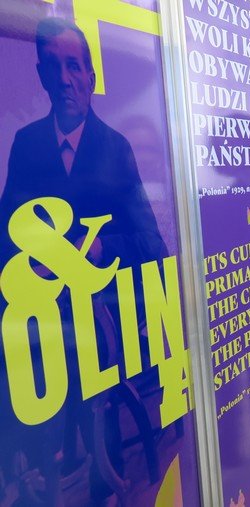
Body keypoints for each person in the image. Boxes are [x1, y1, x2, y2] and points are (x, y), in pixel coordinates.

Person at [0, 17, 167, 504]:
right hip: (42, 310)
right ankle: (41, 471)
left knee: (89, 388)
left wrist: (99, 248)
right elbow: (6, 232)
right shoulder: (26, 145)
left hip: (101, 314)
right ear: (41, 75)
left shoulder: (116, 147)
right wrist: (29, 263)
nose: (65, 80)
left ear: (91, 77)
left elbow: (151, 244)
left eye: (74, 67)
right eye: (53, 68)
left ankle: (99, 480)